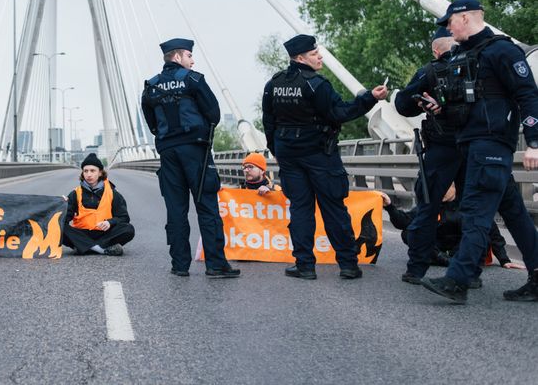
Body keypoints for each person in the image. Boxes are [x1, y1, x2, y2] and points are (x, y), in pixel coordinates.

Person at [419, 0, 538, 304]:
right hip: (472, 144)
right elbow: (467, 103)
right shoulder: (463, 54)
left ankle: (458, 280)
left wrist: (535, 142)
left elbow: (528, 95)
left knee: (474, 212)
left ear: (466, 18)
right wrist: (441, 110)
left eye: (450, 21)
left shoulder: (502, 51)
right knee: (515, 214)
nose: (447, 27)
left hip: (492, 144)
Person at [262, 34, 387, 280]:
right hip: (320, 153)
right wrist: (370, 98)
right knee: (333, 208)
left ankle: (304, 265)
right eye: (314, 54)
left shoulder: (273, 84)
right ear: (300, 58)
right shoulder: (316, 84)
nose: (319, 57)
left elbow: (268, 122)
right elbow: (340, 113)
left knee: (300, 209)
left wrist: (277, 151)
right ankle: (348, 265)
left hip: (289, 155)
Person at [141, 37, 240, 278]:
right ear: (177, 57)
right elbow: (214, 113)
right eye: (189, 56)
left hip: (168, 152)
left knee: (176, 209)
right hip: (195, 151)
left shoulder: (151, 86)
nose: (192, 61)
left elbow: (151, 122)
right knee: (206, 206)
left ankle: (179, 265)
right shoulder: (193, 80)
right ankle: (216, 264)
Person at [393, 27, 470, 285]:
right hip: (475, 144)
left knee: (428, 205)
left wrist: (422, 102)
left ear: (436, 51)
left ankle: (416, 268)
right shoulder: (476, 62)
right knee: (473, 207)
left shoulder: (430, 71)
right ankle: (469, 271)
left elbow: (402, 104)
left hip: (442, 146)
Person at [379, 188, 523, 274]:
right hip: (437, 250)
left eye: (446, 186)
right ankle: (443, 259)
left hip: (459, 250)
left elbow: (492, 230)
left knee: (479, 232)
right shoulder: (430, 206)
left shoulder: (467, 206)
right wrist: (390, 207)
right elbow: (404, 222)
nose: (441, 190)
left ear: (455, 186)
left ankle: (451, 261)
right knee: (409, 232)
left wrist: (504, 259)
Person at [62, 153, 135, 256]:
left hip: (105, 233)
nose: (88, 174)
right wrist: (61, 206)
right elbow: (64, 219)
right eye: (85, 171)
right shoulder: (75, 193)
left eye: (92, 171)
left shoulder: (113, 193)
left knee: (128, 229)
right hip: (82, 233)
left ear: (100, 173)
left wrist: (110, 222)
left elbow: (124, 217)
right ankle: (101, 249)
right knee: (59, 227)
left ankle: (84, 246)